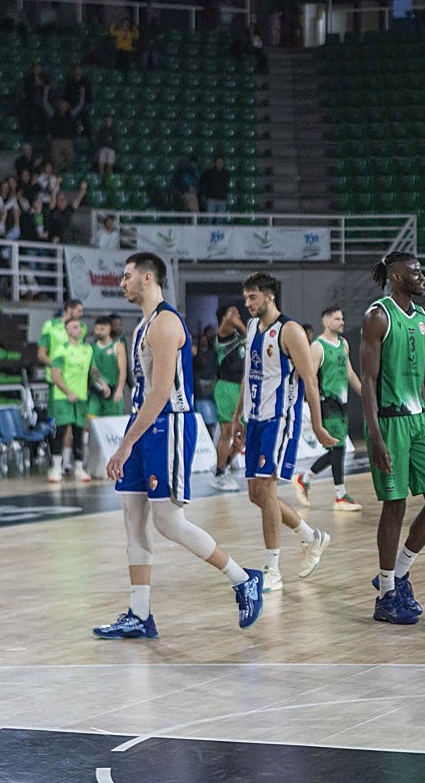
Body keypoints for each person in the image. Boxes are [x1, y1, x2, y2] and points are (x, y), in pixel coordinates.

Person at [96, 252, 264, 638]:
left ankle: (243, 579)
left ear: (148, 278)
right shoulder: (142, 326)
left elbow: (159, 394)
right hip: (144, 426)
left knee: (168, 521)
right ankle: (139, 614)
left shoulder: (166, 323)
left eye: (127, 276)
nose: (121, 283)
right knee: (133, 521)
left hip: (166, 425)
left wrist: (124, 446)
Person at [360, 252, 425, 624]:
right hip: (390, 422)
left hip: (419, 421)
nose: (423, 276)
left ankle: (399, 573)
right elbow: (367, 381)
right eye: (416, 272)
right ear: (396, 277)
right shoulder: (377, 316)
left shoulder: (421, 315)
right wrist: (375, 437)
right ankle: (385, 595)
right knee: (394, 506)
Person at [231, 272, 335, 594]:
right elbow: (249, 376)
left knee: (266, 488)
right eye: (246, 297)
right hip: (256, 419)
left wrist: (316, 425)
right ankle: (310, 537)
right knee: (257, 496)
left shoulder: (289, 331)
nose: (247, 304)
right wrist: (238, 417)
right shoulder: (250, 329)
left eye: (253, 297)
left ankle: (272, 570)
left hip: (280, 420)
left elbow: (310, 381)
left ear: (270, 296)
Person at [292, 306, 363, 512]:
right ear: (326, 322)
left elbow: (349, 373)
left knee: (335, 449)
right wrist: (311, 404)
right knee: (338, 447)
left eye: (343, 318)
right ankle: (340, 496)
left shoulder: (344, 344)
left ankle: (304, 479)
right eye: (338, 319)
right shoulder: (318, 347)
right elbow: (310, 378)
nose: (342, 322)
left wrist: (365, 395)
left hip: (341, 404)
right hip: (326, 402)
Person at [47, 316, 95, 484]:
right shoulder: (61, 350)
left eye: (79, 327)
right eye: (74, 327)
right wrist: (68, 392)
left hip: (81, 397)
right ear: (67, 331)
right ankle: (56, 467)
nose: (79, 330)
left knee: (79, 432)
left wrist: (101, 383)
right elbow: (55, 374)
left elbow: (92, 370)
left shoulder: (87, 349)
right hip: (63, 397)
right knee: (60, 432)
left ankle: (79, 467)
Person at [210, 304, 247, 491]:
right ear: (224, 318)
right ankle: (219, 474)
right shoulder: (221, 336)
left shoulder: (240, 338)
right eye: (232, 313)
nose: (237, 316)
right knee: (227, 433)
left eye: (238, 313)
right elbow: (232, 322)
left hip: (242, 389)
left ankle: (223, 465)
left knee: (243, 436)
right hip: (226, 387)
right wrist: (236, 319)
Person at [88, 315, 127, 418]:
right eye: (96, 329)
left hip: (113, 390)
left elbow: (123, 370)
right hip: (97, 391)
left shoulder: (118, 346)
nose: (98, 332)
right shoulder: (91, 348)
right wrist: (102, 384)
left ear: (109, 329)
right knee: (91, 421)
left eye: (102, 329)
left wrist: (120, 389)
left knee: (113, 424)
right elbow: (93, 369)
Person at [202, 156, 230, 225]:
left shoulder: (226, 173)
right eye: (218, 162)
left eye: (221, 162)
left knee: (220, 220)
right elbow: (203, 184)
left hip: (222, 200)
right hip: (211, 199)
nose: (220, 164)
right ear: (215, 163)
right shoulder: (209, 173)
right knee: (209, 219)